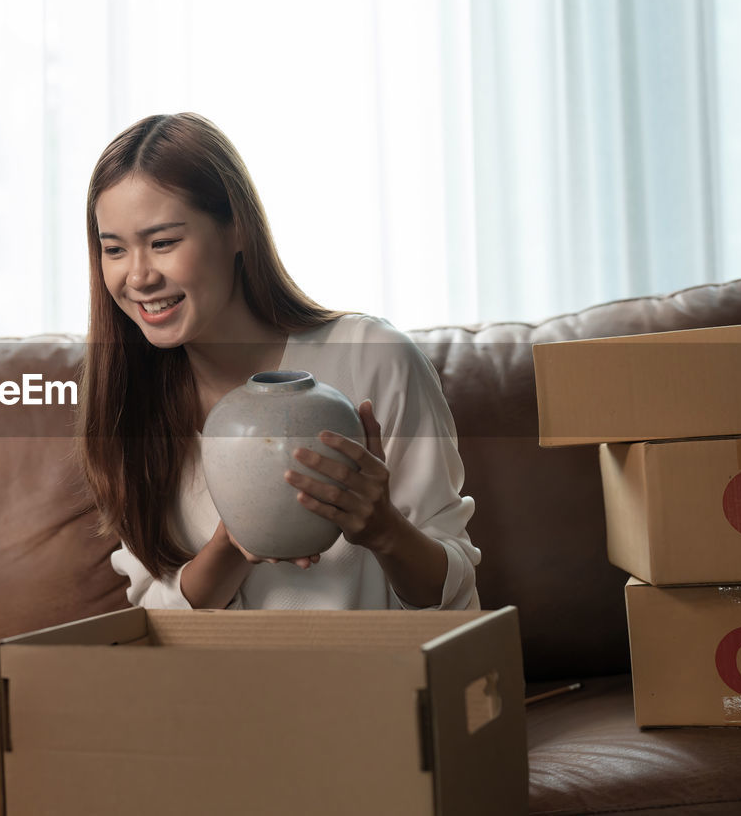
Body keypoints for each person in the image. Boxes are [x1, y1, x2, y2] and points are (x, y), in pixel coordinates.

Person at [76, 112, 480, 611]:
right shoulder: (129, 400)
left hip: (374, 681)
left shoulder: (370, 358)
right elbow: (153, 611)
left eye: (163, 243)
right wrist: (233, 544)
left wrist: (382, 528)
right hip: (215, 686)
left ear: (237, 230)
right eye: (113, 249)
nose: (137, 277)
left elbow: (454, 595)